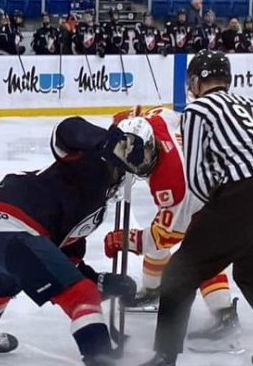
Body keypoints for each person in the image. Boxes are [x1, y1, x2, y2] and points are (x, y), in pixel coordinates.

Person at [129, 50, 253, 366]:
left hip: (246, 194)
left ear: (194, 81)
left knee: (179, 272)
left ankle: (163, 363)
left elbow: (196, 176)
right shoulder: (252, 104)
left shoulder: (196, 111)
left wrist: (212, 218)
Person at [0, 116, 159, 366]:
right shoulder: (90, 162)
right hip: (15, 226)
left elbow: (63, 264)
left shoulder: (91, 210)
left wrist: (100, 281)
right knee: (80, 296)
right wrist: (108, 141)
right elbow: (67, 130)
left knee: (3, 286)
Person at [103, 106, 240, 350]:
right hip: (213, 178)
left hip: (218, 198)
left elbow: (163, 238)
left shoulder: (171, 185)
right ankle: (153, 289)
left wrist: (128, 240)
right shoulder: (157, 120)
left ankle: (224, 313)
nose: (135, 164)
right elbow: (140, 112)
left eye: (139, 156)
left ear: (150, 147)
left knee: (198, 253)